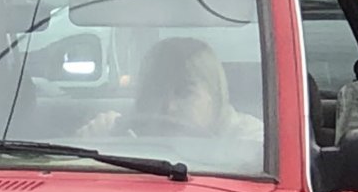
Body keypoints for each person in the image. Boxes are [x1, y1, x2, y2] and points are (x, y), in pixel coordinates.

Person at [80, 37, 263, 140]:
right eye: (157, 91)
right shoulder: (121, 131)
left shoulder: (252, 143)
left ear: (215, 94)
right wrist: (97, 141)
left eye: (184, 92)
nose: (169, 107)